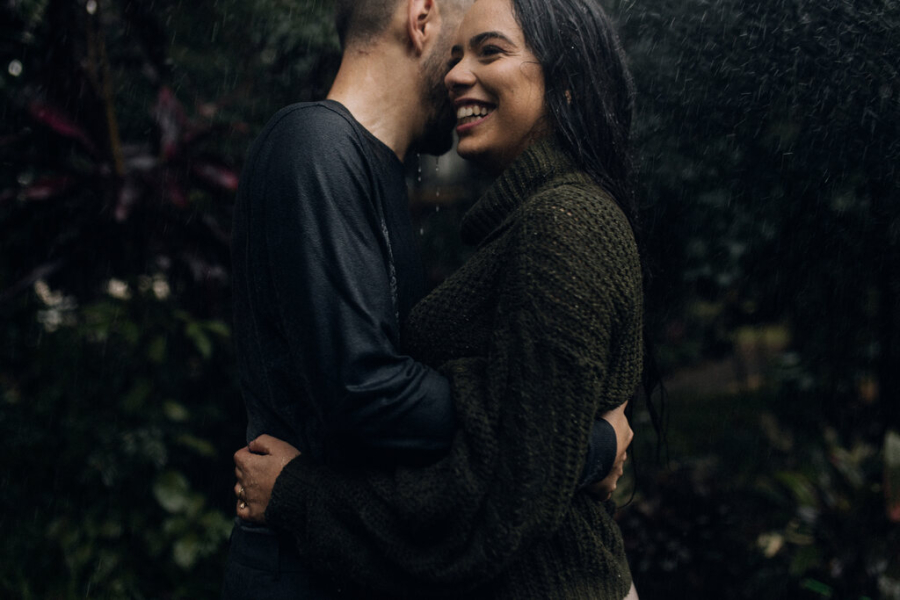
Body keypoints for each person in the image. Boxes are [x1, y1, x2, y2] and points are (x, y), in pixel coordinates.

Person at [224, 0, 633, 597]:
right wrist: (583, 444)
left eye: (487, 50)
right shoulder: (316, 143)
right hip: (303, 569)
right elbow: (368, 391)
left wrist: (553, 442)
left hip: (356, 555)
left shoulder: (543, 213)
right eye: (462, 47)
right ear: (421, 18)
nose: (459, 72)